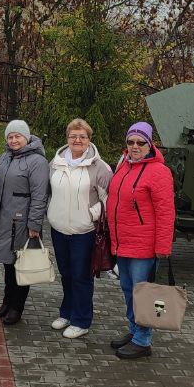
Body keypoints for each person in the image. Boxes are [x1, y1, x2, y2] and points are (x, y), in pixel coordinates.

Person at [106, 121, 175, 359]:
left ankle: (143, 341)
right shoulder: (124, 166)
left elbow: (166, 213)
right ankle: (135, 330)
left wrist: (162, 247)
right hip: (123, 243)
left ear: (149, 144)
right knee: (128, 290)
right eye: (131, 142)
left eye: (140, 142)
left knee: (144, 293)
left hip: (144, 247)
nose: (135, 146)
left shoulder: (159, 172)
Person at [46, 117, 113, 339]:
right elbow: (49, 191)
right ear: (67, 138)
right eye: (73, 136)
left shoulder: (100, 167)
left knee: (81, 276)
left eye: (82, 136)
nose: (77, 140)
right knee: (66, 274)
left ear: (89, 139)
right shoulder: (55, 163)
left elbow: (109, 199)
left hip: (84, 232)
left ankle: (81, 320)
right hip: (59, 229)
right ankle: (66, 313)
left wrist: (92, 214)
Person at [0, 119, 50, 326]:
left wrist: (34, 225)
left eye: (18, 136)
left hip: (23, 223)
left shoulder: (37, 161)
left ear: (26, 137)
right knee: (8, 264)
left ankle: (16, 307)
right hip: (5, 219)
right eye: (10, 137)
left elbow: (40, 195)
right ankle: (7, 302)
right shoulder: (5, 157)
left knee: (21, 264)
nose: (13, 140)